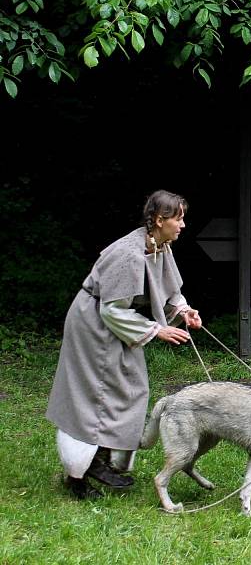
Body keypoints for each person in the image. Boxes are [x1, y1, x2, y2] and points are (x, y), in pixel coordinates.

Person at [45, 190, 201, 499]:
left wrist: (183, 310)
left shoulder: (160, 246)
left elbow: (169, 291)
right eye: (178, 218)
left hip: (114, 324)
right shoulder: (128, 254)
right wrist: (157, 331)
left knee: (131, 387)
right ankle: (78, 474)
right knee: (93, 394)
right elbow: (112, 309)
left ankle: (104, 461)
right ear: (159, 220)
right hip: (93, 326)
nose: (183, 225)